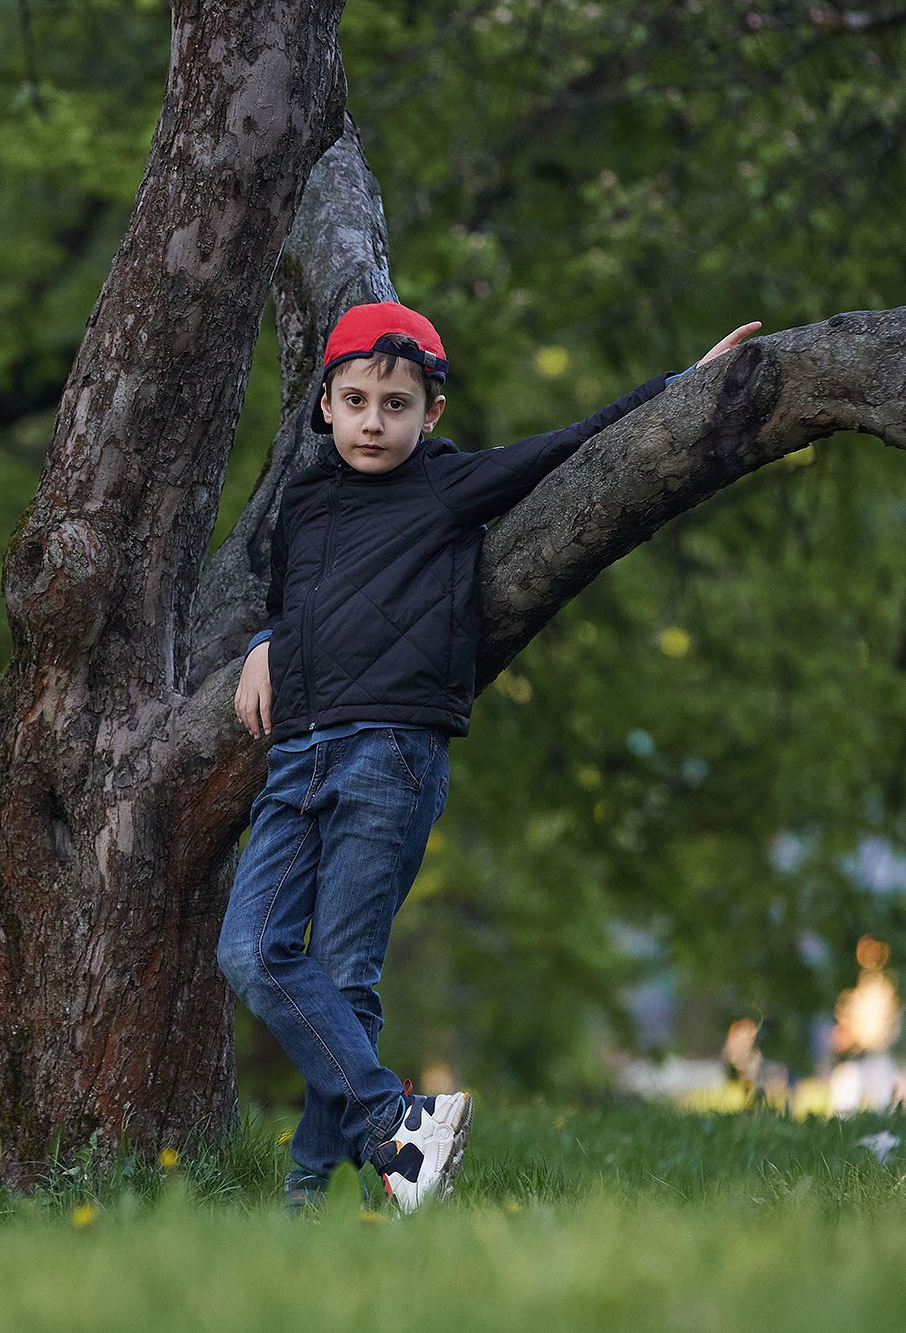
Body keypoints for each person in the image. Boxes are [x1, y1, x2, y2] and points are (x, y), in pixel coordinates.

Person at [216, 301, 759, 1212]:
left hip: (389, 753)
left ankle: (308, 1197)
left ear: (430, 412)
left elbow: (571, 446)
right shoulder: (303, 497)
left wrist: (681, 388)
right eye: (355, 401)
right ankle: (397, 1122)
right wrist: (263, 646)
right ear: (325, 405)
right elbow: (289, 594)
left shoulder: (445, 484)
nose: (373, 422)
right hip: (296, 758)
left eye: (396, 404)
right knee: (250, 950)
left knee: (346, 979)